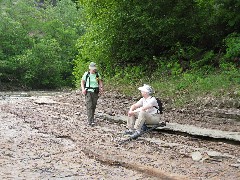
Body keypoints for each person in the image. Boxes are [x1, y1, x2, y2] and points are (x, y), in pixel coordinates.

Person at [81, 62, 103, 126]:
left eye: (94, 68)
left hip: (95, 91)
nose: (94, 70)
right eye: (92, 68)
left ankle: (92, 118)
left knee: (93, 106)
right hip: (88, 91)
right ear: (90, 68)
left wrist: (101, 87)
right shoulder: (86, 74)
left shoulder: (97, 75)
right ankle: (90, 121)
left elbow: (100, 81)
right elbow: (82, 82)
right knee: (89, 105)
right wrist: (83, 89)